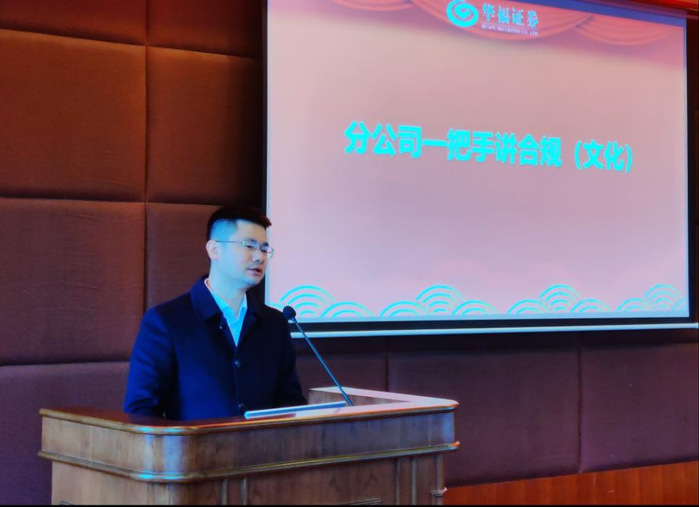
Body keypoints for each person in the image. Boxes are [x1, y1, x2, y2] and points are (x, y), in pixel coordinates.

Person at [124, 205, 306, 420]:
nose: (259, 257)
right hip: (193, 443)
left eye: (264, 249)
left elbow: (290, 403)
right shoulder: (167, 321)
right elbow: (141, 412)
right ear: (214, 249)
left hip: (264, 443)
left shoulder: (274, 323)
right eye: (249, 246)